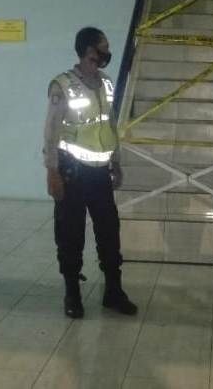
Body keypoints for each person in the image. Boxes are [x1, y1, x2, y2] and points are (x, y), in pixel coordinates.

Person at [43, 26, 137, 319]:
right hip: (71, 171)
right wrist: (52, 171)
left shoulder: (106, 83)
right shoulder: (63, 85)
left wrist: (116, 161)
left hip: (100, 174)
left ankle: (113, 290)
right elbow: (51, 131)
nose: (108, 52)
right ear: (88, 51)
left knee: (109, 231)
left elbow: (110, 124)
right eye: (103, 47)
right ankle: (72, 292)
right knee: (70, 234)